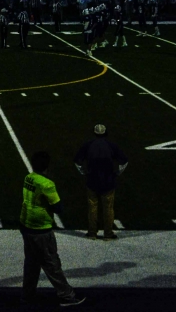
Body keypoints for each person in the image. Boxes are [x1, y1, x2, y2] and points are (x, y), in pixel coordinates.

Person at [19, 151, 83, 308]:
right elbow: (58, 207)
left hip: (26, 225)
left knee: (31, 264)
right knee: (52, 264)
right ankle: (66, 296)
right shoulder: (47, 184)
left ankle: (27, 295)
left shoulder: (28, 178)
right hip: (41, 228)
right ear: (47, 166)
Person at [73, 125, 128, 239]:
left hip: (92, 180)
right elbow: (124, 161)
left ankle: (92, 233)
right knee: (108, 208)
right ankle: (108, 233)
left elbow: (77, 161)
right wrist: (117, 173)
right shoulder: (111, 145)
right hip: (108, 181)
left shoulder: (88, 145)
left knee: (92, 208)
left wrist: (84, 172)